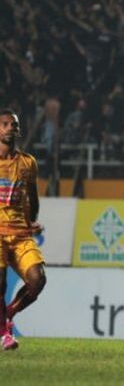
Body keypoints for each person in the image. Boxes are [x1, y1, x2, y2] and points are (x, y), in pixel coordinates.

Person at [0, 108, 46, 350]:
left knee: (38, 280)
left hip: (20, 234)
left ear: (18, 130)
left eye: (13, 125)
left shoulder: (28, 163)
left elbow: (33, 200)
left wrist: (32, 222)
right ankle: (5, 335)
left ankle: (7, 316)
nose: (9, 128)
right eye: (5, 124)